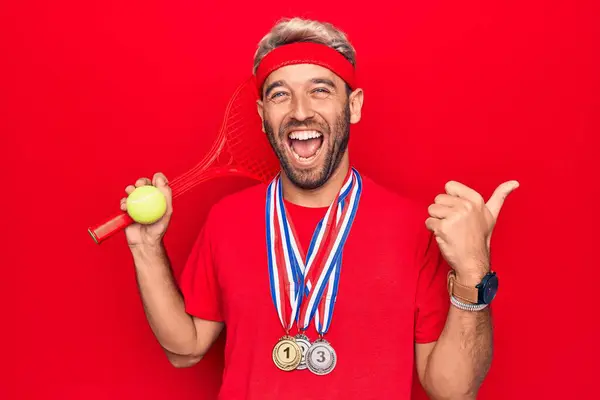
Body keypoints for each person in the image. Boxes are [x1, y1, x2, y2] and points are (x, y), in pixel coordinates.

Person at [121, 17, 518, 400]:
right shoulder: (227, 219)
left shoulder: (414, 228)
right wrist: (146, 247)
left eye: (321, 90)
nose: (299, 111)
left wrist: (472, 271)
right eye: (279, 93)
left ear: (355, 105)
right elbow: (184, 348)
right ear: (262, 116)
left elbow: (453, 391)